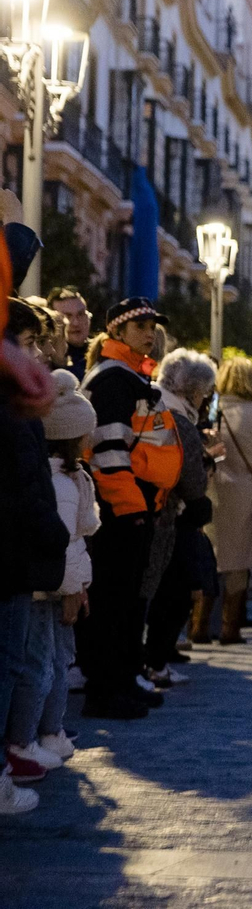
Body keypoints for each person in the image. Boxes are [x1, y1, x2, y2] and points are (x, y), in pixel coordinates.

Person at [80, 298, 181, 718]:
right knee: (111, 605)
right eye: (140, 325)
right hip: (120, 511)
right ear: (116, 332)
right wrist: (130, 507)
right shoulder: (113, 379)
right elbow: (108, 447)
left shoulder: (131, 376)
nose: (149, 332)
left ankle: (122, 681)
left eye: (152, 325)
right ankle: (105, 693)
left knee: (124, 605)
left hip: (136, 507)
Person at [4, 370, 96, 794]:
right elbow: (68, 542)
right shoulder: (65, 485)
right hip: (50, 586)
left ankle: (41, 733)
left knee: (46, 664)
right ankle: (31, 737)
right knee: (41, 666)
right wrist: (73, 587)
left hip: (52, 582)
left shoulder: (64, 479)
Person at [0, 332, 71, 804]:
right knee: (14, 662)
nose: (37, 353)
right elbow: (26, 483)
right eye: (28, 340)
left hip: (19, 554)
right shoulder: (13, 408)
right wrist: (55, 536)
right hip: (15, 555)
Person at [144, 350, 217, 685]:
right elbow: (192, 481)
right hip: (168, 518)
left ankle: (152, 662)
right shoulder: (181, 420)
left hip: (152, 513)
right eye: (204, 393)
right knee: (173, 591)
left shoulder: (153, 405)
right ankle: (155, 662)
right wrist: (206, 465)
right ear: (193, 391)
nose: (205, 401)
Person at [207, 357, 252, 646]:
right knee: (238, 561)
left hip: (213, 491)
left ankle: (199, 624)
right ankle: (229, 627)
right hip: (245, 495)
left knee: (211, 556)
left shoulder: (214, 409)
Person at [45, 287, 92, 380]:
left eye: (80, 314)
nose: (75, 323)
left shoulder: (101, 354)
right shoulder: (42, 358)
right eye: (67, 316)